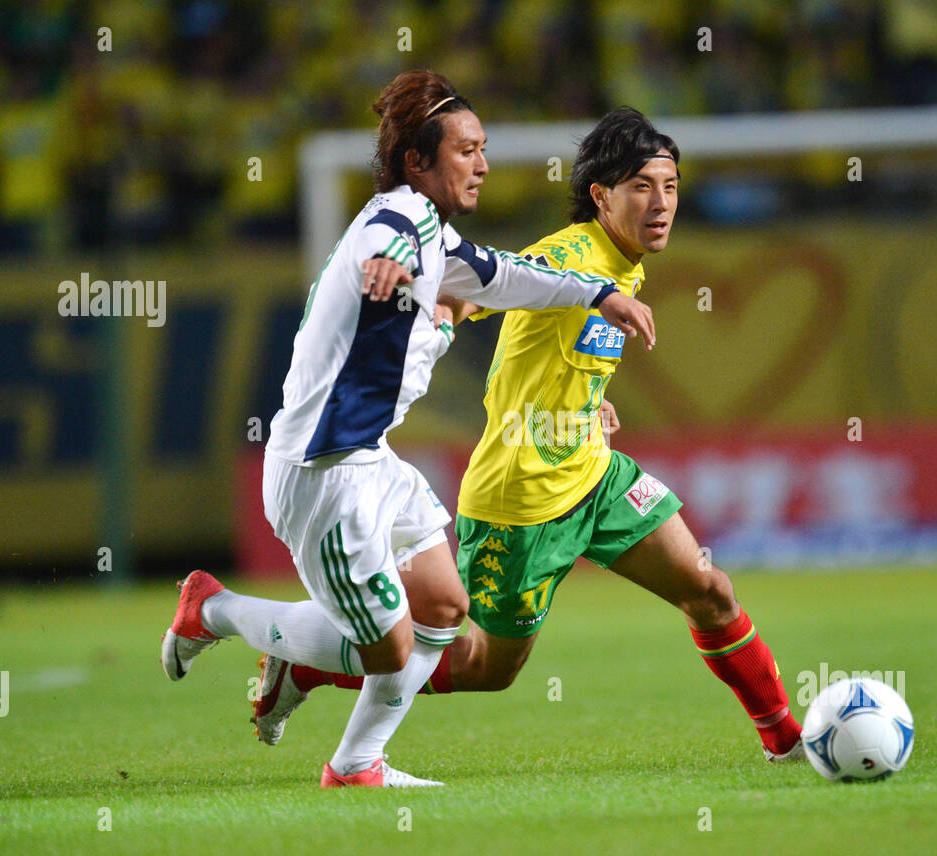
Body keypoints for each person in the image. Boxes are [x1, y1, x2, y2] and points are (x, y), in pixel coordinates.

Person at [252, 108, 805, 765]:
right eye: (642, 187)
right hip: (523, 498)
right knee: (488, 665)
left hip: (594, 475)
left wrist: (587, 404)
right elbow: (464, 292)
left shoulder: (624, 263)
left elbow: (565, 353)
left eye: (671, 186)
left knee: (709, 590)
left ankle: (789, 743)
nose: (661, 204)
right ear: (601, 196)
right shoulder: (567, 257)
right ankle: (308, 666)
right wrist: (422, 295)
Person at [160, 71, 654, 789]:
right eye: (465, 150)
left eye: (483, 149)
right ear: (418, 163)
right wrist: (393, 257)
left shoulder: (439, 242)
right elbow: (395, 236)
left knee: (445, 605)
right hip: (321, 474)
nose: (482, 163)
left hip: (371, 462)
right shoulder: (401, 218)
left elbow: (512, 274)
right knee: (389, 649)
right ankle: (215, 608)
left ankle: (357, 764)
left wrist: (599, 292)